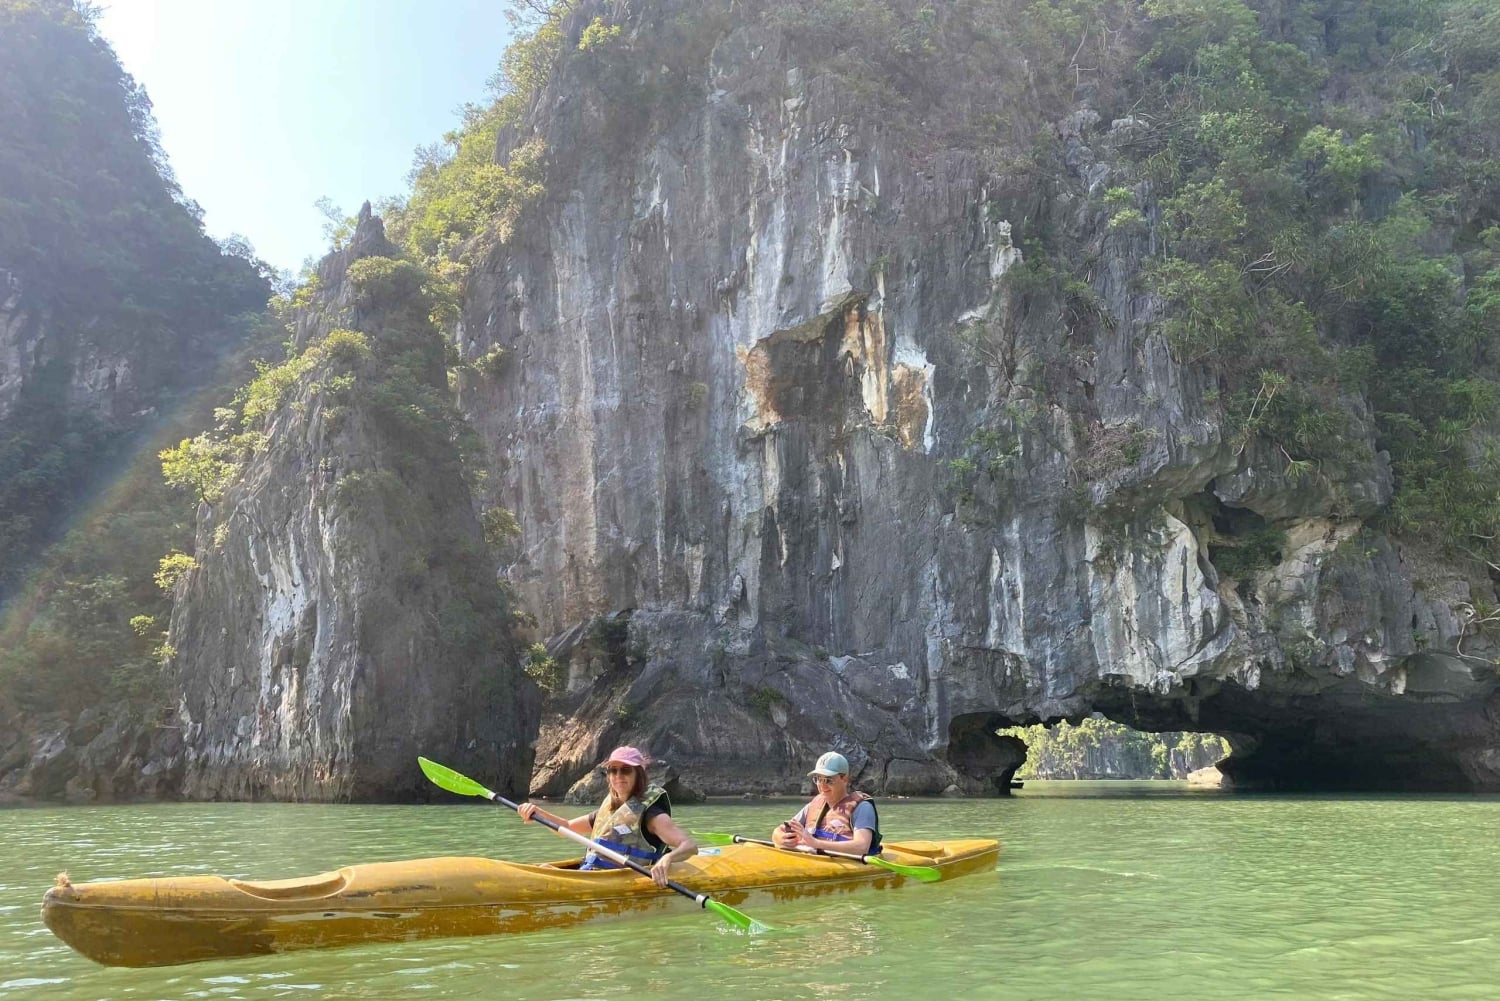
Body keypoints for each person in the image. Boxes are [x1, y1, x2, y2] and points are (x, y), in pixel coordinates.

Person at [517, 746, 697, 887]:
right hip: (594, 875)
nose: (618, 776)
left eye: (626, 770)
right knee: (543, 869)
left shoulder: (652, 815)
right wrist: (537, 812)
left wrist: (667, 859)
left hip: (626, 880)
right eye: (613, 770)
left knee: (546, 871)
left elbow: (689, 846)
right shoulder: (610, 811)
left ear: (638, 775)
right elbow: (567, 828)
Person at [771, 751, 881, 854]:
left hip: (845, 862)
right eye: (818, 779)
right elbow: (779, 830)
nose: (822, 786)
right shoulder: (813, 806)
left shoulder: (862, 808)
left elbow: (861, 847)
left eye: (828, 780)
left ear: (844, 779)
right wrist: (779, 838)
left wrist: (815, 843)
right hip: (814, 858)